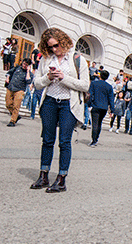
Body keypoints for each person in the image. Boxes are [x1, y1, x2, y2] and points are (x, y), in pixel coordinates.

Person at [30, 28, 90, 192]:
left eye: (56, 46)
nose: (54, 50)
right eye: (50, 47)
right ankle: (43, 175)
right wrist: (48, 78)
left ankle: (61, 178)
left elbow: (85, 85)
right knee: (47, 140)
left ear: (63, 42)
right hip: (49, 101)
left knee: (64, 141)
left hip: (68, 104)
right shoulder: (46, 59)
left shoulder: (77, 59)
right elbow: (37, 83)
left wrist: (64, 78)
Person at [88, 69, 115, 146]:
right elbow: (111, 99)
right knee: (99, 123)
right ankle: (96, 138)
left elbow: (90, 95)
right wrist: (112, 110)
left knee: (95, 123)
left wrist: (89, 104)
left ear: (100, 75)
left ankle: (94, 140)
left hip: (96, 106)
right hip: (104, 107)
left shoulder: (94, 83)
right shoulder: (109, 87)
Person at [4, 58, 33, 126]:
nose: (24, 65)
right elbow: (9, 72)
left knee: (16, 106)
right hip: (10, 87)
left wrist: (28, 71)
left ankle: (13, 121)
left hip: (20, 90)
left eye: (26, 65)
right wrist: (7, 78)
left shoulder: (29, 74)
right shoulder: (17, 68)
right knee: (8, 104)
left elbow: (28, 81)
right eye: (24, 63)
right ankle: (16, 116)